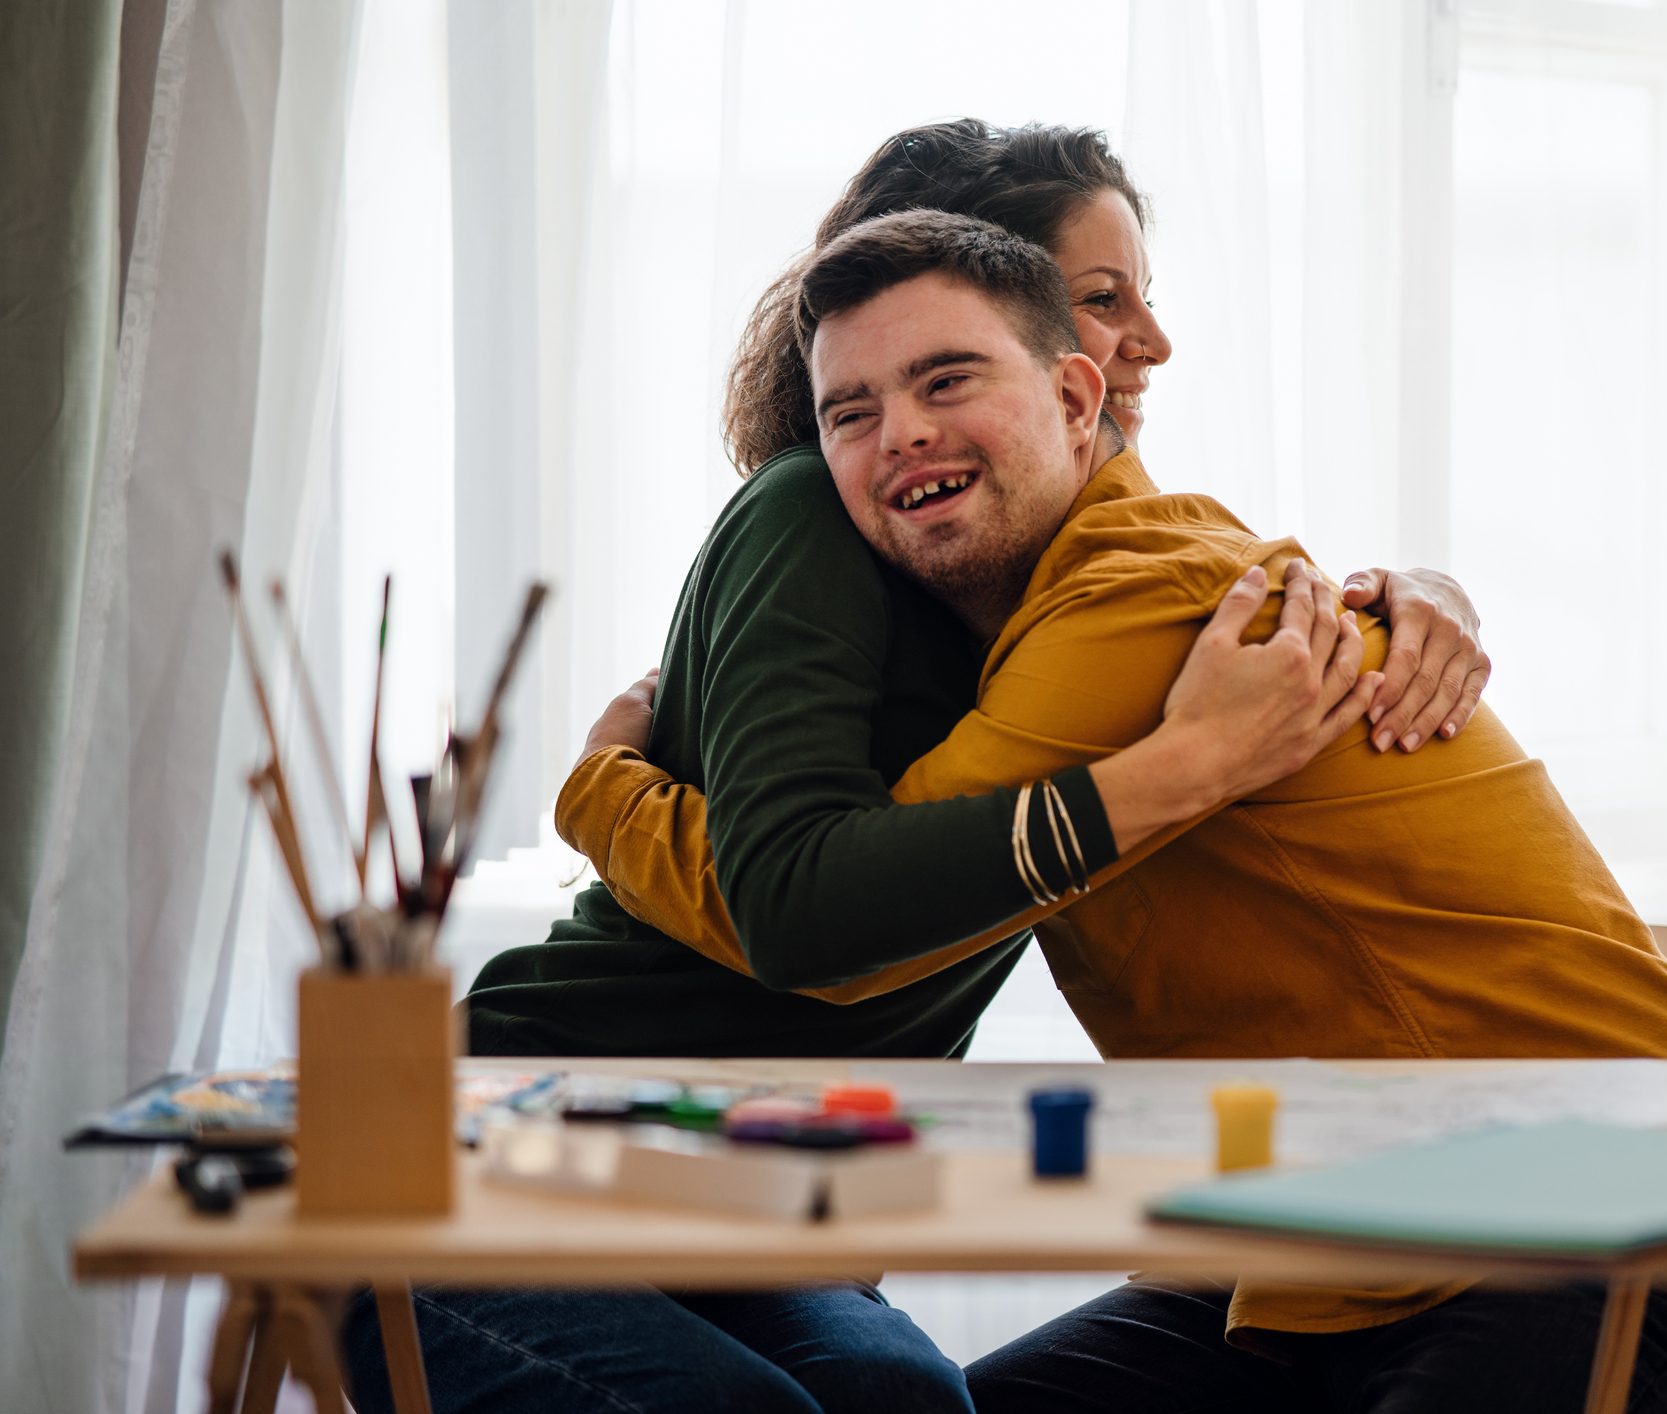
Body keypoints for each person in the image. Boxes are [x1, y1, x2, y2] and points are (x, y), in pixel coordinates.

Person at [343, 124, 1478, 1414]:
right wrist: (1187, 765)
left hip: (746, 1192)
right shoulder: (812, 520)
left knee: (912, 1408)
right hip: (511, 1150)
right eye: (1100, 298)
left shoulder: (1060, 586)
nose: (1146, 341)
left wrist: (1414, 592)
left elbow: (1239, 598)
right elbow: (802, 906)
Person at [580, 208, 1667, 1411]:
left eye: (946, 378)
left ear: (1077, 402)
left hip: (1579, 1226)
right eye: (849, 412)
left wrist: (600, 788)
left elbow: (826, 918)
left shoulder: (1129, 605)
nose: (902, 433)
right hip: (1323, 1260)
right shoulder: (1080, 617)